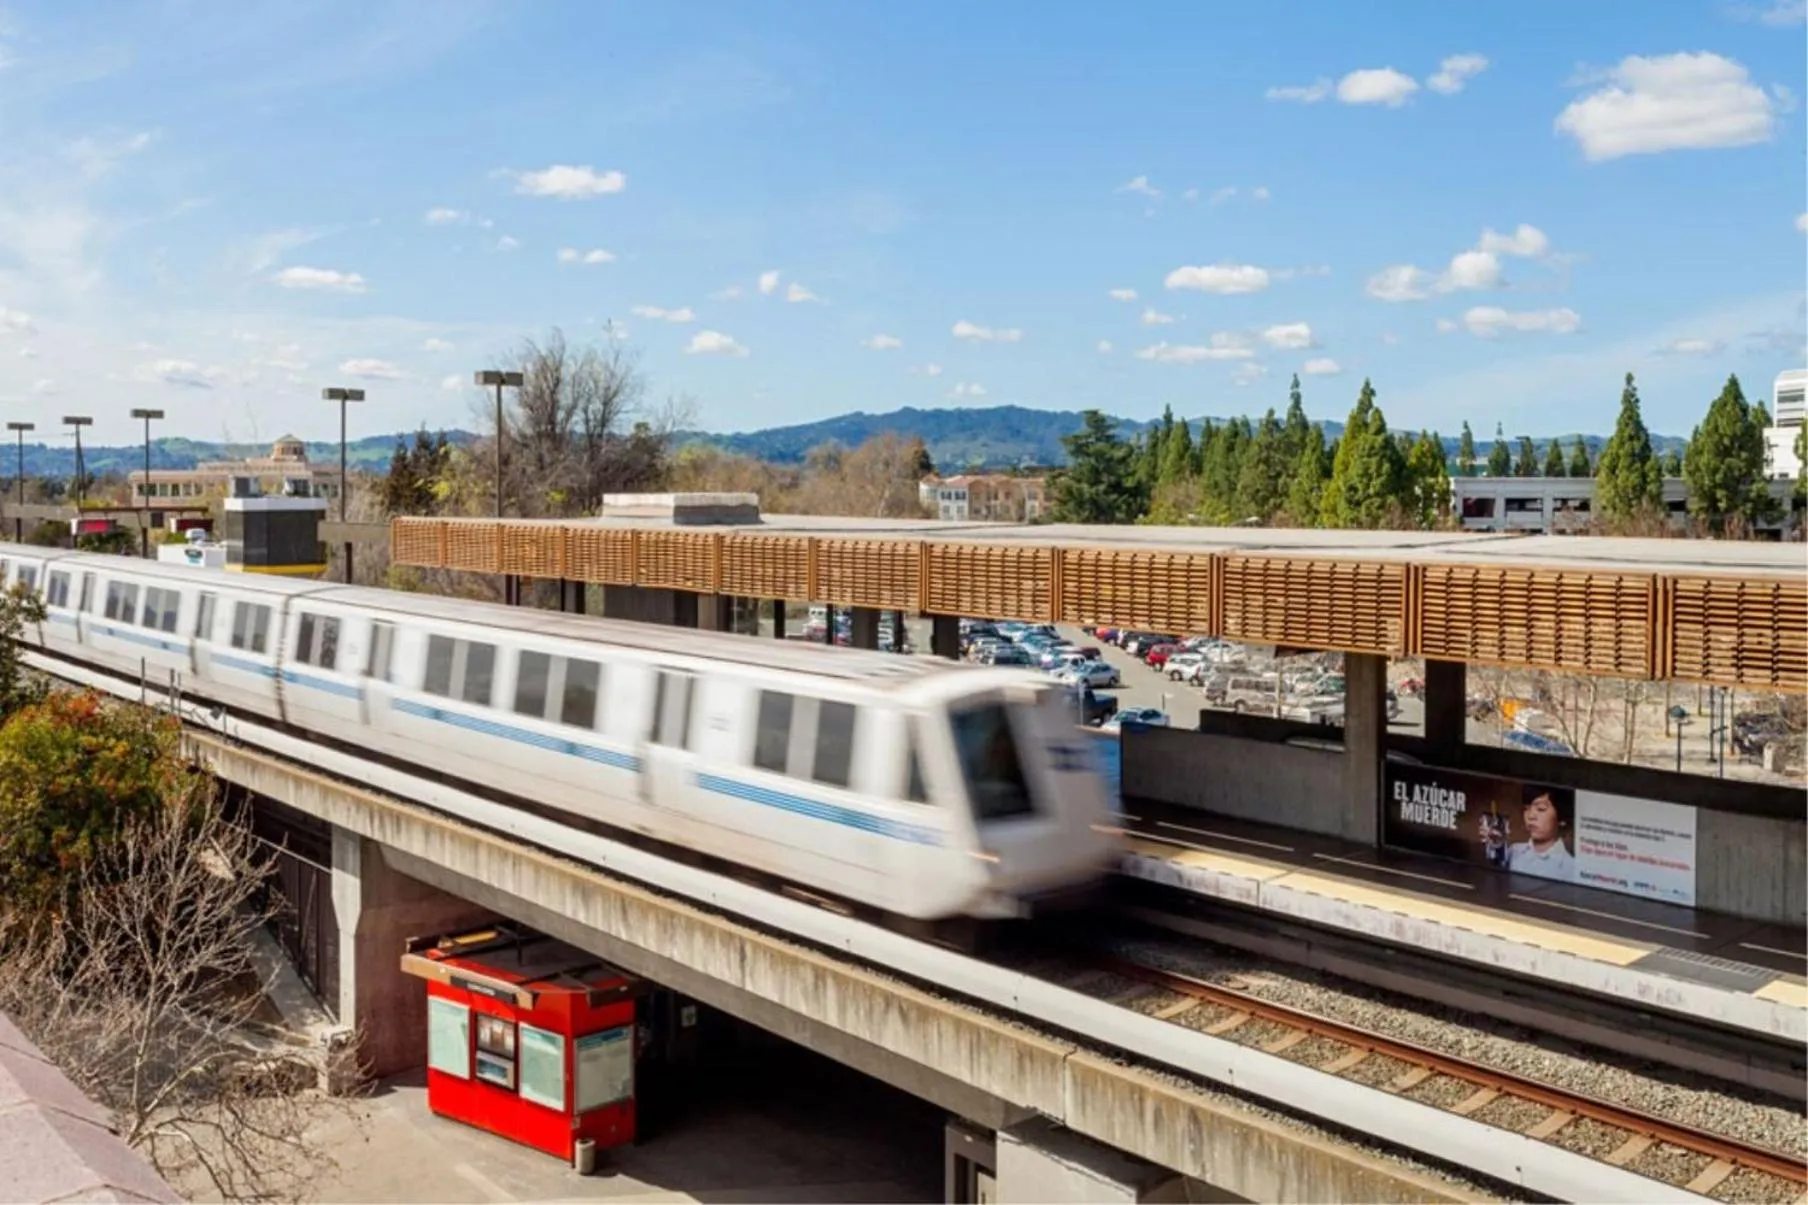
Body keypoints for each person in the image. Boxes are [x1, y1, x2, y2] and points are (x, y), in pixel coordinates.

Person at [1506, 785, 1577, 882]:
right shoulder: (1513, 851)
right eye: (1526, 808)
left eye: (1541, 809)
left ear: (1561, 817)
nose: (1530, 816)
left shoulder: (1571, 867)